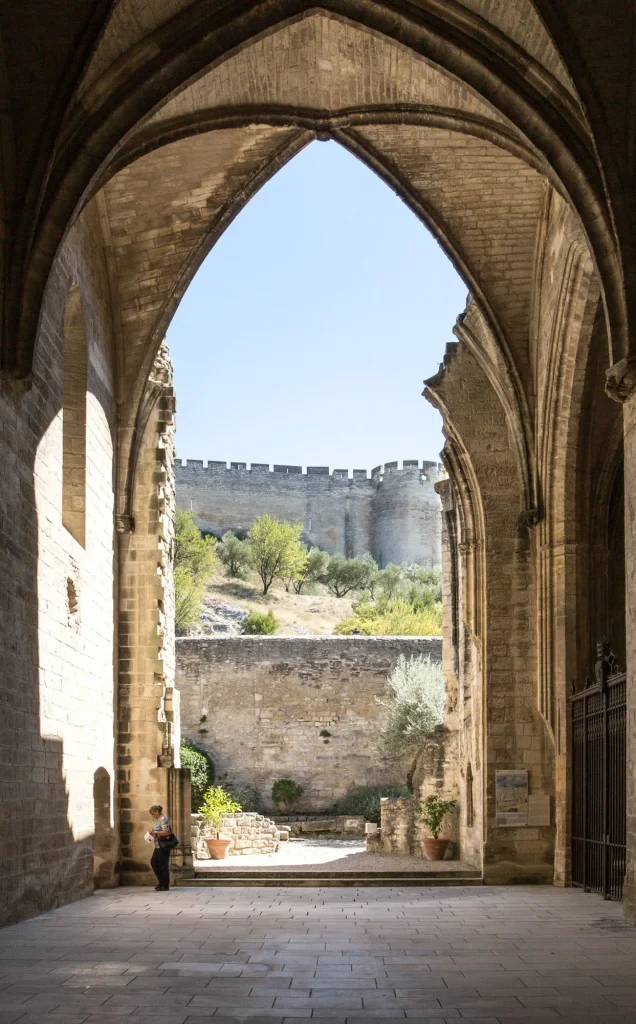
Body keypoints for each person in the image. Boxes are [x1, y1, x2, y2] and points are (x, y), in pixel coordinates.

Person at [149, 804, 172, 891]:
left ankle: (164, 885)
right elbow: (159, 831)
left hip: (163, 846)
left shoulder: (163, 819)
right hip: (158, 845)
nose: (152, 815)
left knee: (163, 865)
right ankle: (161, 882)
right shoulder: (159, 820)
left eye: (152, 813)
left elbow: (167, 832)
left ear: (156, 812)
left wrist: (155, 832)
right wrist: (153, 833)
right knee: (154, 863)